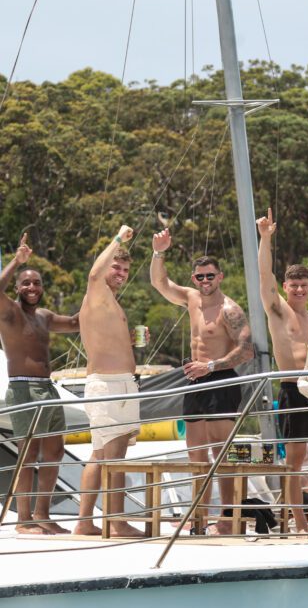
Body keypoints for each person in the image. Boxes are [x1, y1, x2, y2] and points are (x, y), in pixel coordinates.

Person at [150, 228, 254, 535]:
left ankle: (227, 520)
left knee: (222, 453)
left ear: (220, 277)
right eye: (200, 277)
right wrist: (159, 252)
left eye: (210, 276)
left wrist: (211, 365)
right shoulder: (191, 299)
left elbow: (246, 350)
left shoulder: (229, 310)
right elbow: (160, 283)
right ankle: (198, 520)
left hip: (220, 380)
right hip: (194, 382)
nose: (205, 282)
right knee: (195, 453)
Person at [0, 233, 79, 534]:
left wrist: (101, 289)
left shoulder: (44, 316)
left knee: (55, 452)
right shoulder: (9, 312)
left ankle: (42, 515)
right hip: (23, 388)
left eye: (37, 283)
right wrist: (17, 262)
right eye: (26, 283)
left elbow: (75, 324)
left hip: (49, 389)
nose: (32, 288)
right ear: (18, 287)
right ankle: (23, 521)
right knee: (28, 453)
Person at [256, 208, 308, 533]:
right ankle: (298, 524)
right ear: (285, 287)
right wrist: (265, 239)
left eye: (303, 286)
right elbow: (263, 278)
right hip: (292, 389)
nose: (298, 290)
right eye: (293, 285)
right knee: (295, 460)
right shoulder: (278, 312)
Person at [73, 225, 143, 537]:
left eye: (126, 269)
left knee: (101, 456)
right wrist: (117, 239)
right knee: (113, 458)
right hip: (110, 386)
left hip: (117, 384)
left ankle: (85, 522)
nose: (121, 272)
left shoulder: (110, 301)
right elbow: (92, 274)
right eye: (117, 266)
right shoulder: (97, 290)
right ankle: (116, 522)